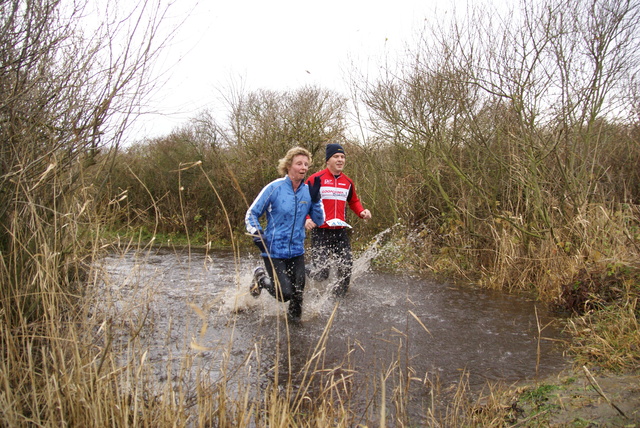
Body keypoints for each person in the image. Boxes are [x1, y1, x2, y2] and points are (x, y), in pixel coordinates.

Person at [245, 146, 325, 321]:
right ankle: (261, 278)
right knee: (285, 293)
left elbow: (319, 221)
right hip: (273, 250)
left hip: (297, 251)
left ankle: (295, 333)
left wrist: (317, 200)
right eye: (299, 163)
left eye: (306, 164)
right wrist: (257, 232)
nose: (303, 167)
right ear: (289, 166)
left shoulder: (308, 191)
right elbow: (252, 213)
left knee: (298, 294)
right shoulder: (275, 188)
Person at [304, 143, 372, 297]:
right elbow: (303, 201)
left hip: (340, 232)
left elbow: (353, 201)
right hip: (320, 232)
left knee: (346, 267)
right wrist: (307, 218)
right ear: (328, 160)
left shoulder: (347, 182)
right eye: (336, 157)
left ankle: (338, 300)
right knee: (322, 273)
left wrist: (362, 212)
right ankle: (300, 267)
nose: (340, 160)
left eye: (342, 157)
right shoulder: (316, 179)